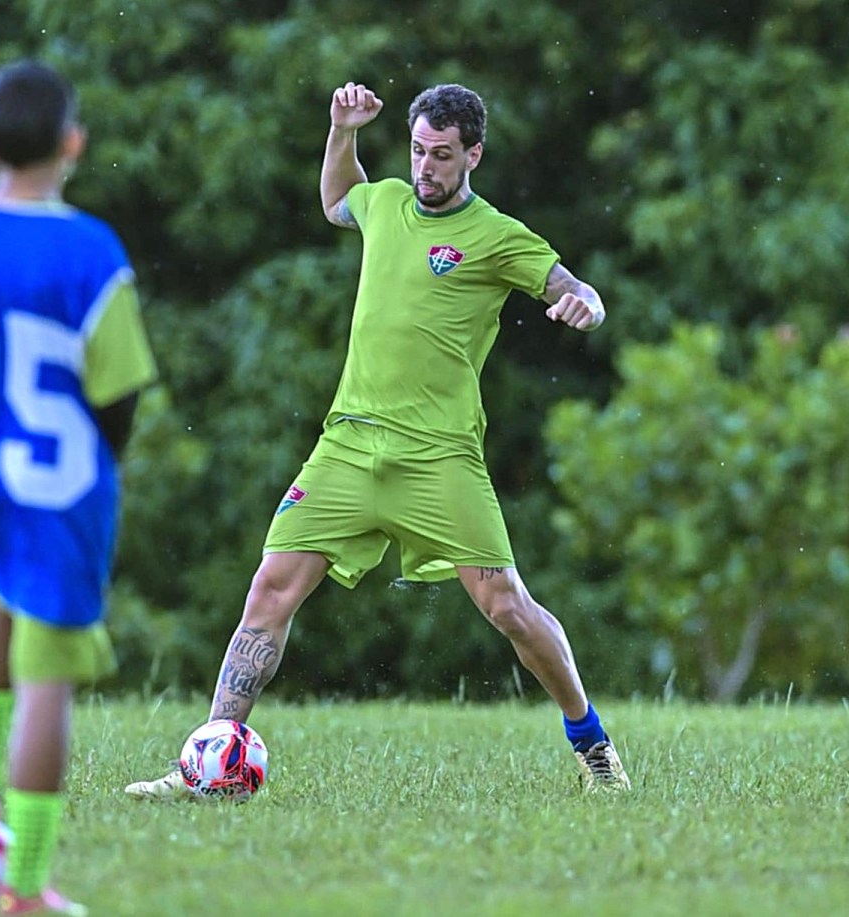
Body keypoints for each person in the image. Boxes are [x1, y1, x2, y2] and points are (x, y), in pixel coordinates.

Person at [125, 80, 628, 799]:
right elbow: (338, 199)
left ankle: (593, 745)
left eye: (443, 155)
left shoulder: (496, 236)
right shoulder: (387, 200)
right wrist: (342, 131)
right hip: (349, 447)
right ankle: (206, 763)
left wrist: (586, 304)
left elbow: (574, 286)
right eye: (419, 150)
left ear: (473, 155)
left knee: (507, 606)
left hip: (439, 456)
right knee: (270, 589)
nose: (426, 167)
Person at [0, 60, 158, 914]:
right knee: (47, 679)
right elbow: (116, 392)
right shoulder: (90, 249)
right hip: (57, 488)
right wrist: (104, 466)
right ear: (74, 143)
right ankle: (24, 887)